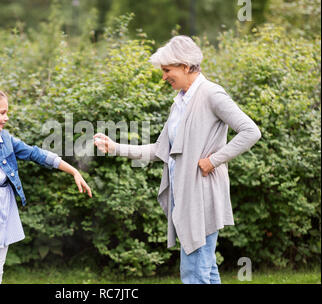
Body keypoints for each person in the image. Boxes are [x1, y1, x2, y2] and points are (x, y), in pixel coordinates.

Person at [94, 35, 261, 284]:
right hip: (184, 195)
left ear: (185, 66)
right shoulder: (180, 102)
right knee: (205, 269)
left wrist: (214, 160)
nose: (164, 77)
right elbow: (160, 150)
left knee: (194, 273)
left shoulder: (211, 94)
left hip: (201, 194)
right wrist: (115, 147)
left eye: (167, 70)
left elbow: (251, 131)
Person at [0, 86, 92, 284]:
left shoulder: (5, 140)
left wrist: (73, 170)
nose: (6, 117)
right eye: (2, 112)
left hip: (4, 210)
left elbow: (36, 154)